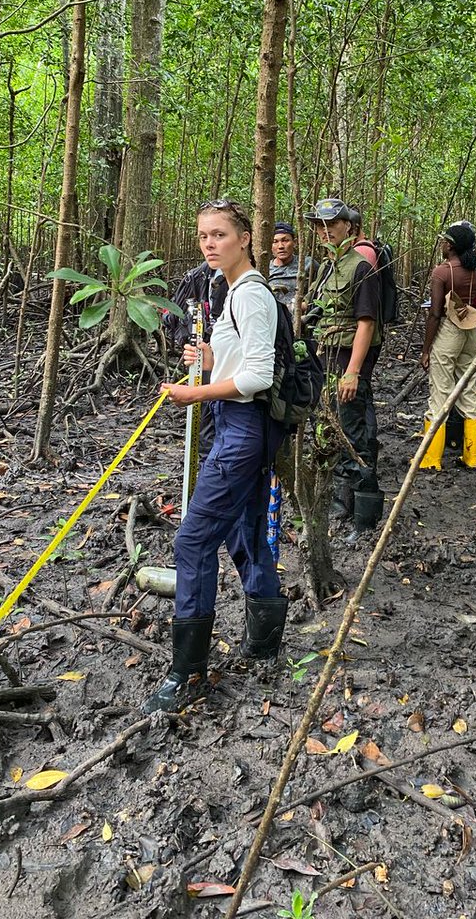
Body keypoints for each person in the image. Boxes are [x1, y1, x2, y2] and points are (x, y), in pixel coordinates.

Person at [144, 199, 287, 714]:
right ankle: (265, 642)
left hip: (242, 428)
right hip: (236, 424)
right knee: (243, 529)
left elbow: (257, 378)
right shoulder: (232, 293)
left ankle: (186, 673)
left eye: (220, 234)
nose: (209, 243)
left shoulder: (250, 295)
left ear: (245, 238)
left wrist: (192, 395)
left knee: (193, 541)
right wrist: (206, 360)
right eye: (204, 234)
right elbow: (239, 362)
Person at [305, 197, 384, 538]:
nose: (325, 231)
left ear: (348, 226)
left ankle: (365, 520)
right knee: (329, 429)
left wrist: (353, 371)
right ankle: (342, 502)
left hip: (348, 360)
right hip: (325, 357)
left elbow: (366, 323)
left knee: (356, 435)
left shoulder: (361, 266)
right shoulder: (327, 267)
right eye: (319, 226)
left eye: (332, 224)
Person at [418, 222, 476, 471]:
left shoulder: (442, 272)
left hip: (449, 331)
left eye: (446, 241)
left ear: (452, 246)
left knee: (440, 393)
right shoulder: (474, 269)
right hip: (472, 332)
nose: (443, 244)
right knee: (469, 390)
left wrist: (426, 349)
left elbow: (435, 313)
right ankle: (472, 457)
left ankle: (432, 460)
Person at [162, 258, 229, 464]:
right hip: (203, 362)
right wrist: (191, 341)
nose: (211, 245)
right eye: (204, 237)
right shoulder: (197, 276)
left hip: (233, 365)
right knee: (206, 422)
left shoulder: (249, 282)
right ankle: (206, 472)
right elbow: (172, 316)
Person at [268, 220, 317, 315]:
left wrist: (298, 307)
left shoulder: (308, 264)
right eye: (275, 242)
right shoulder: (266, 270)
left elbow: (320, 294)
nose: (280, 246)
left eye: (285, 240)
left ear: (294, 242)